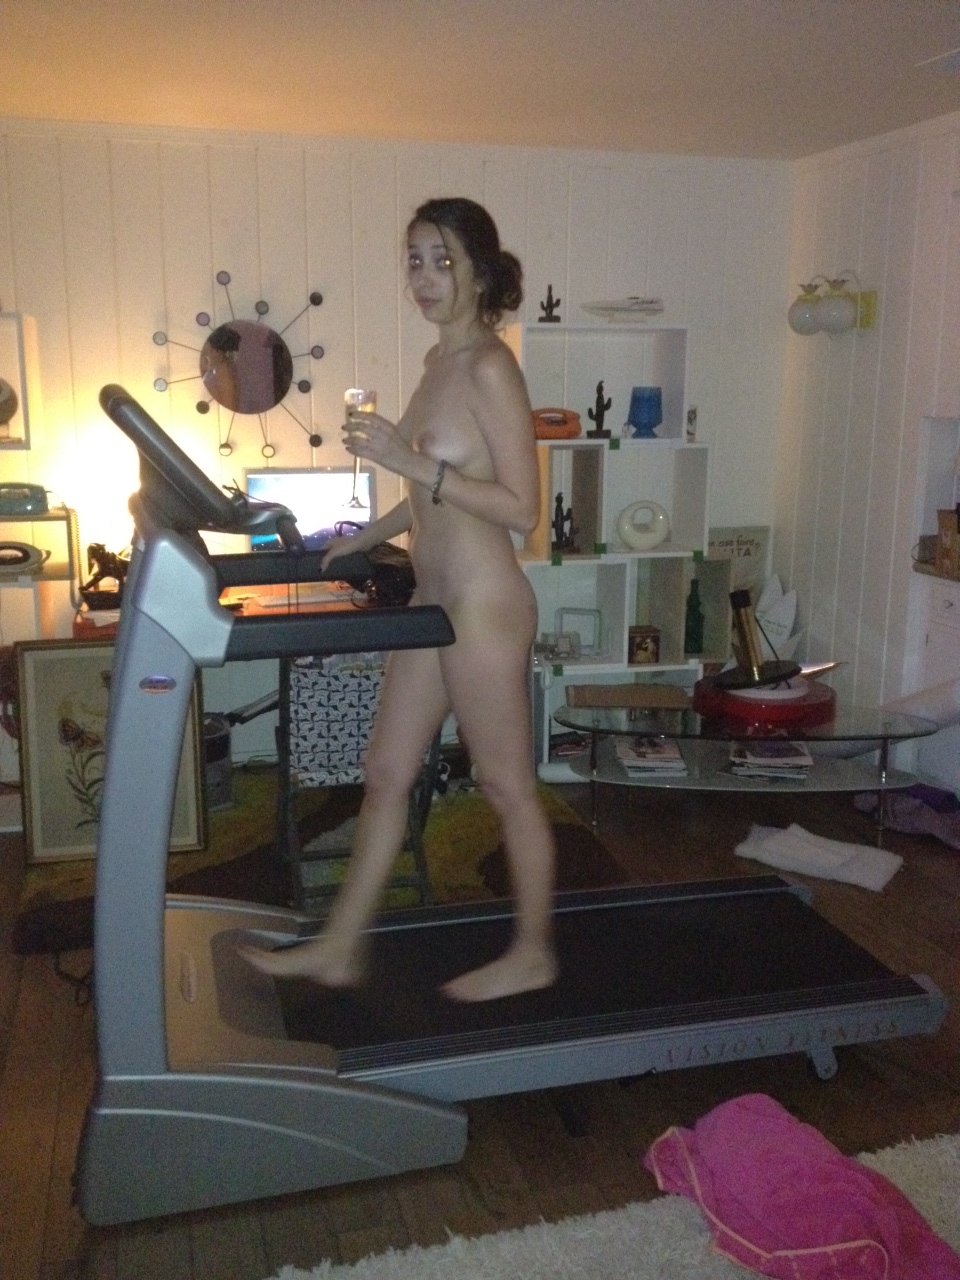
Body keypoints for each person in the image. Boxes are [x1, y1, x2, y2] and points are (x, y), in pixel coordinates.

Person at [240, 197, 557, 1002]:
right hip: (431, 598)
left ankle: (533, 952)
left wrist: (407, 461)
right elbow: (423, 497)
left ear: (480, 271)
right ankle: (339, 948)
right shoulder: (436, 363)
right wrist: (359, 537)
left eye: (442, 260)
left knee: (504, 785)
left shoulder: (490, 367)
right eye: (414, 260)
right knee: (385, 770)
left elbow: (522, 510)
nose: (423, 277)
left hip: (484, 605)